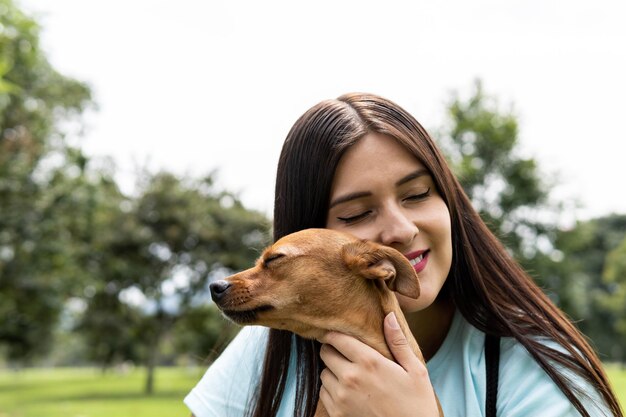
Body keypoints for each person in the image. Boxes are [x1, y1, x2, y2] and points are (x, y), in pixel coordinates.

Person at [185, 93, 623, 417]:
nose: (401, 230)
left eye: (417, 194)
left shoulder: (536, 367)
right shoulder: (267, 349)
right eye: (357, 213)